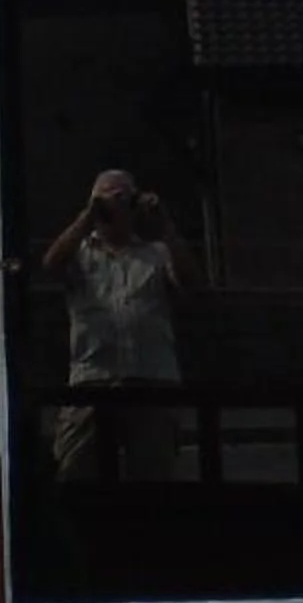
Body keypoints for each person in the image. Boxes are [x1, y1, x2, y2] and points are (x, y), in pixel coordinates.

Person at [42, 168, 190, 483]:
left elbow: (191, 283)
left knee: (156, 480)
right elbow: (50, 265)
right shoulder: (80, 256)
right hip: (93, 378)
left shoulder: (157, 254)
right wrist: (89, 216)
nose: (118, 208)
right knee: (73, 474)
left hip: (151, 379)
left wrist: (165, 225)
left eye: (125, 198)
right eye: (109, 198)